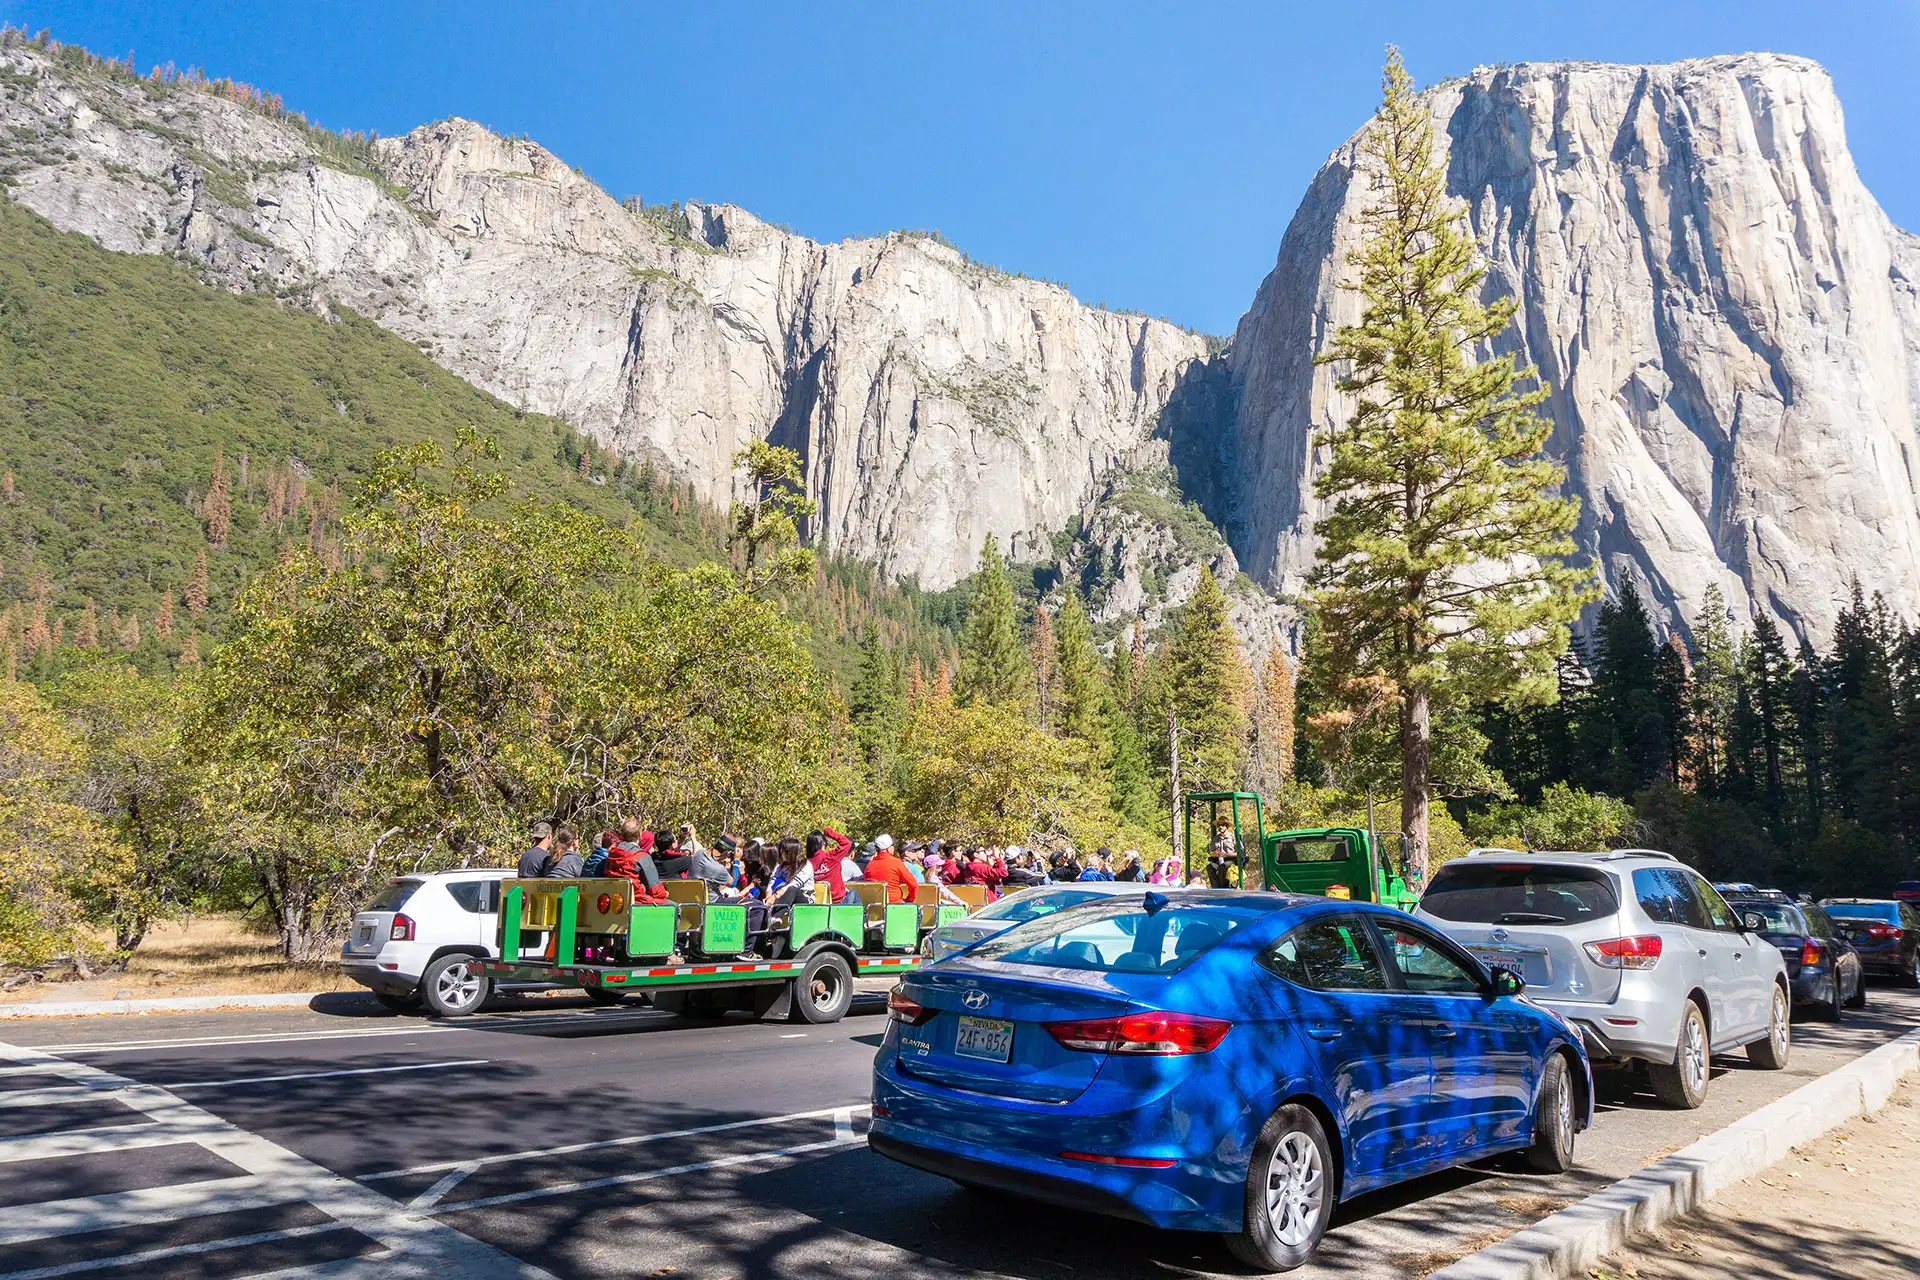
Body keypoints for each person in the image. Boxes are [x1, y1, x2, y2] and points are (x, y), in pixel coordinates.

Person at [863, 834, 915, 903]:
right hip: (894, 905)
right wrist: (909, 900)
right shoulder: (896, 863)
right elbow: (914, 885)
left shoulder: (870, 865)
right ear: (888, 849)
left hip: (874, 906)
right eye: (893, 846)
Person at [771, 837, 817, 905]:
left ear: (790, 852)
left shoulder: (806, 865)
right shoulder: (781, 866)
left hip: (803, 900)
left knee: (792, 889)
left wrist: (776, 895)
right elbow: (773, 880)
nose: (781, 853)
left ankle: (776, 915)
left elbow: (795, 883)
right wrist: (769, 892)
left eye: (782, 851)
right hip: (782, 897)